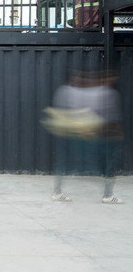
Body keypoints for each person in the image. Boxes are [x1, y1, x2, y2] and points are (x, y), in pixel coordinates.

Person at [48, 70, 124, 204]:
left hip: (74, 132)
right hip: (82, 133)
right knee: (107, 164)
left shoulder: (68, 91)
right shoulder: (102, 92)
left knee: (64, 161)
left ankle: (57, 191)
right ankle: (107, 195)